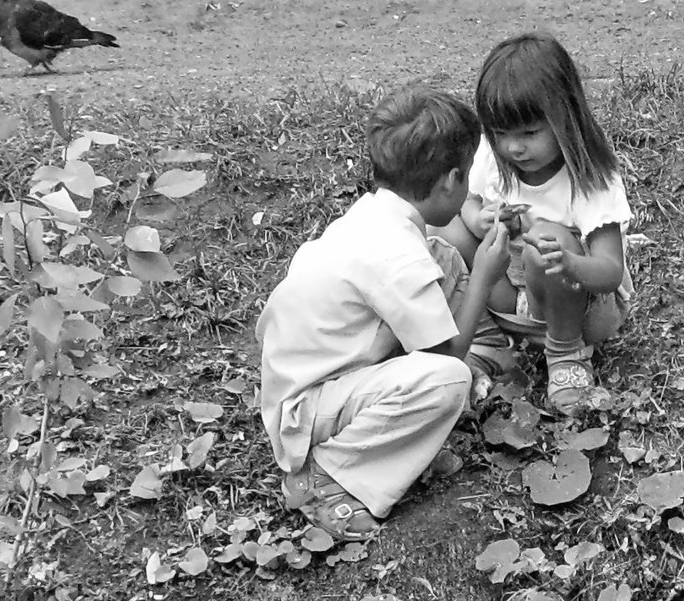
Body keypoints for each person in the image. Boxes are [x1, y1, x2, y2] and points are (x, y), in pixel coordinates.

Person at [256, 86, 511, 541]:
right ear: (452, 180)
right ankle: (327, 478)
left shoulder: (373, 219)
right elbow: (446, 359)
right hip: (308, 412)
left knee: (445, 258)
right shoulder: (397, 255)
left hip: (315, 382)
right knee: (449, 381)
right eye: (469, 175)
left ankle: (414, 437)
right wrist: (487, 275)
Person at [431, 32, 635, 416]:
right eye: (500, 134)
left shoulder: (589, 178)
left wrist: (571, 264)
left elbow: (610, 272)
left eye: (528, 133)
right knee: (444, 228)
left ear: (566, 119)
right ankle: (488, 339)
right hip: (513, 297)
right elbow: (469, 203)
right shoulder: (494, 157)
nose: (513, 148)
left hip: (579, 306)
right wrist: (479, 219)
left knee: (545, 239)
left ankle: (566, 355)